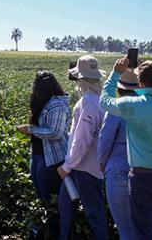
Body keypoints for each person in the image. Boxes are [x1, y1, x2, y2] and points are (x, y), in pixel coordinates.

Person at [100, 58, 152, 240]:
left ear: (140, 83)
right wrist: (145, 69)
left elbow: (104, 100)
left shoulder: (132, 105)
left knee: (145, 233)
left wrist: (116, 73)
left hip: (144, 178)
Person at [57, 55, 108, 240]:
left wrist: (67, 166)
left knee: (93, 213)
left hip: (84, 168)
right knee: (66, 205)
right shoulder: (100, 100)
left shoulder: (89, 101)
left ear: (81, 78)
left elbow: (82, 140)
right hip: (86, 165)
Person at [16, 71, 70, 240]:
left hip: (52, 158)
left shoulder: (57, 105)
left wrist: (30, 129)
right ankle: (42, 231)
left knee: (49, 197)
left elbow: (55, 132)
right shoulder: (43, 102)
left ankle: (52, 232)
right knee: (40, 196)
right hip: (39, 155)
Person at [98, 69, 139, 240]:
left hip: (118, 172)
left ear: (119, 88)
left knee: (126, 230)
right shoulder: (145, 106)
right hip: (142, 173)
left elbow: (104, 141)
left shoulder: (116, 107)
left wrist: (102, 164)